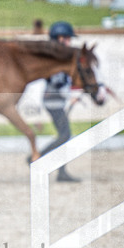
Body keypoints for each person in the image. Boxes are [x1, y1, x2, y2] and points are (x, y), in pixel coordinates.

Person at [41, 21, 80, 182]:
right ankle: (37, 157)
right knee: (65, 135)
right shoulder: (54, 57)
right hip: (53, 102)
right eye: (68, 38)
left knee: (64, 135)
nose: (69, 42)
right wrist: (69, 95)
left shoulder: (58, 55)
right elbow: (57, 81)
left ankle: (61, 172)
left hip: (57, 101)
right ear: (59, 38)